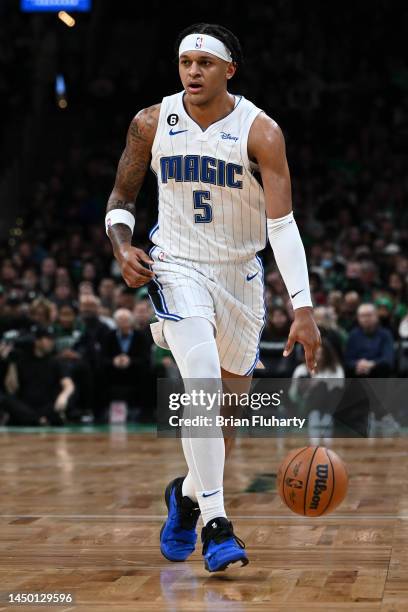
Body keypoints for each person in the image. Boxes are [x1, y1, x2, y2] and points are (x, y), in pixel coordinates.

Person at [105, 23, 320, 572]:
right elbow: (121, 198)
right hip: (175, 265)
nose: (193, 71)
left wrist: (303, 306)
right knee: (198, 376)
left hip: (240, 277)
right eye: (185, 62)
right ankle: (218, 526)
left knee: (224, 419)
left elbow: (284, 225)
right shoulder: (150, 122)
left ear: (230, 69)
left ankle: (186, 497)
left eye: (205, 62)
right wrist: (122, 244)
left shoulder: (261, 131)